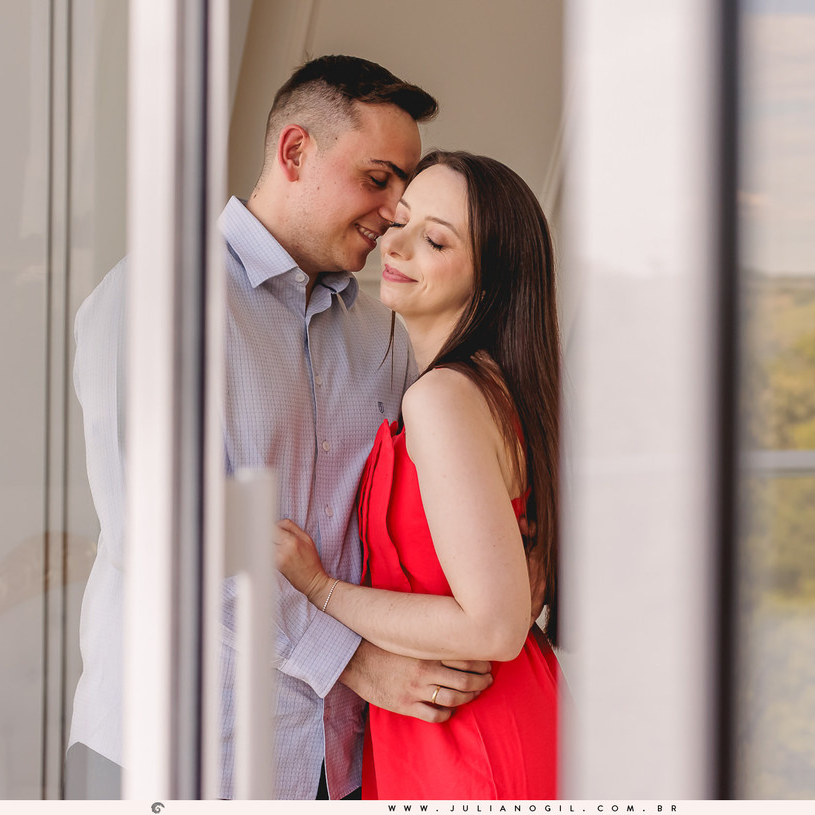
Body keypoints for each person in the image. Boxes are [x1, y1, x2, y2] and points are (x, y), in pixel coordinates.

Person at [67, 56, 496, 801]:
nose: (396, 209)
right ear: (295, 151)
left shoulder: (384, 335)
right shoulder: (157, 300)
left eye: (405, 184)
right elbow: (169, 536)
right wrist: (354, 661)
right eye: (378, 178)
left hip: (340, 762)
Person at [275, 150, 562, 799]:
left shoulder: (444, 400)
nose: (395, 245)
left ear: (492, 279)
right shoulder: (494, 388)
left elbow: (496, 623)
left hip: (471, 736)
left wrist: (320, 589)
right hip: (459, 724)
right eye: (399, 222)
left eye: (434, 239)